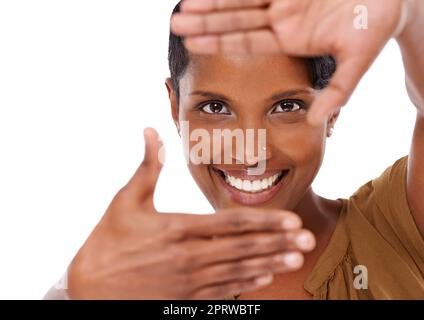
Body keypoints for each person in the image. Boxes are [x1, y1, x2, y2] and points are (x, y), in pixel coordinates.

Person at [46, 0, 424, 299]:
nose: (249, 154)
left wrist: (410, 16)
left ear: (333, 109)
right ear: (174, 107)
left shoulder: (396, 226)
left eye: (286, 107)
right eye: (215, 108)